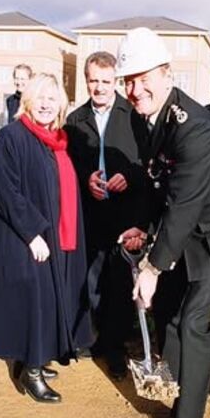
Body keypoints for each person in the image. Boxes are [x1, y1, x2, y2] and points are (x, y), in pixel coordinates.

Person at [116, 27, 210, 418]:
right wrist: (143, 227)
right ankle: (179, 387)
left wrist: (152, 269)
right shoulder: (150, 117)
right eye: (129, 81)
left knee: (193, 320)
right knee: (171, 318)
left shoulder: (193, 127)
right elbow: (158, 185)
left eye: (143, 78)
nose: (135, 90)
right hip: (187, 227)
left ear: (166, 73)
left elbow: (186, 203)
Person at [0, 72, 93, 403]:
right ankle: (31, 372)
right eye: (40, 97)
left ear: (61, 105)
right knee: (34, 301)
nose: (45, 103)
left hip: (54, 235)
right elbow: (4, 190)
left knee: (47, 299)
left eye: (52, 98)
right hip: (23, 237)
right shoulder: (12, 137)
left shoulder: (54, 139)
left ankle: (36, 357)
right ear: (27, 100)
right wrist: (32, 234)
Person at [64, 51, 147, 379]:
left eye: (105, 81)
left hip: (125, 212)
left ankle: (115, 346)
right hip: (91, 210)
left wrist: (129, 175)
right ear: (85, 80)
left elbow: (146, 163)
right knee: (92, 278)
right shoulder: (74, 119)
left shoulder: (133, 116)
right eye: (92, 81)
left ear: (116, 82)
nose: (98, 88)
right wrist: (86, 178)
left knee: (120, 281)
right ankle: (95, 337)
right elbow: (70, 163)